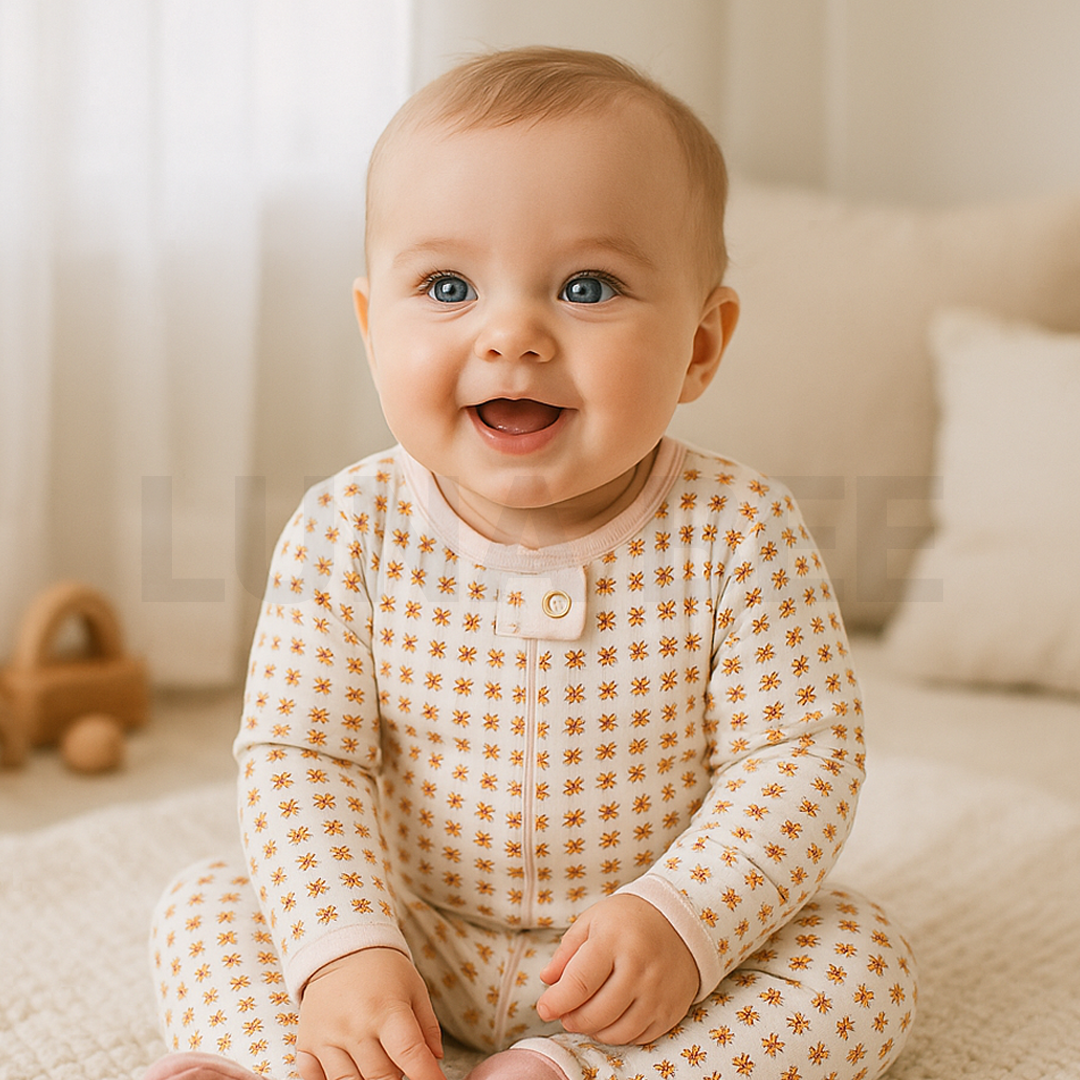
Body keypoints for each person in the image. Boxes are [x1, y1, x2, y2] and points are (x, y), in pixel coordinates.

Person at [145, 46, 917, 1080]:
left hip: (640, 965)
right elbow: (302, 757)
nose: (513, 333)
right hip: (409, 929)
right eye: (449, 285)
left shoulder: (741, 531)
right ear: (375, 328)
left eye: (588, 286)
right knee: (208, 900)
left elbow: (800, 758)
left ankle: (567, 1074)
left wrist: (685, 917)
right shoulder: (347, 527)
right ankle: (298, 1066)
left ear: (700, 344)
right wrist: (348, 950)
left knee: (861, 965)